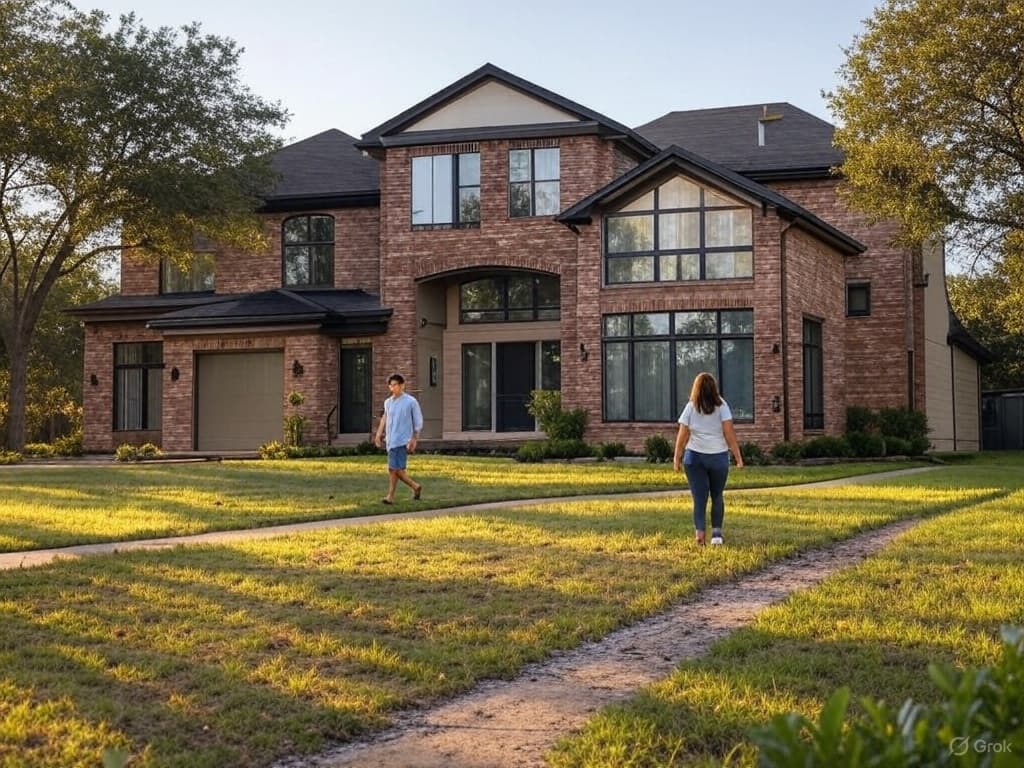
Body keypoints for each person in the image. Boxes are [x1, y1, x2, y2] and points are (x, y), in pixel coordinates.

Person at [672, 372, 744, 546]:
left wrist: (677, 458)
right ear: (714, 387)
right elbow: (729, 433)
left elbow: (682, 434)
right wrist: (738, 457)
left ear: (695, 388)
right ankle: (717, 535)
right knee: (717, 495)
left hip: (694, 458)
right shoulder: (722, 406)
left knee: (699, 497)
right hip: (718, 457)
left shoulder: (691, 406)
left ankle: (700, 534)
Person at [374, 373, 424, 504]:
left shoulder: (411, 402)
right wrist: (378, 435)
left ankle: (409, 488)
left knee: (394, 469)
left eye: (395, 385)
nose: (392, 387)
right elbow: (385, 418)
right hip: (391, 440)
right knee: (395, 470)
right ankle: (402, 492)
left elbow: (418, 422)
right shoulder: (388, 402)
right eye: (390, 385)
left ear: (402, 385)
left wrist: (414, 439)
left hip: (403, 440)